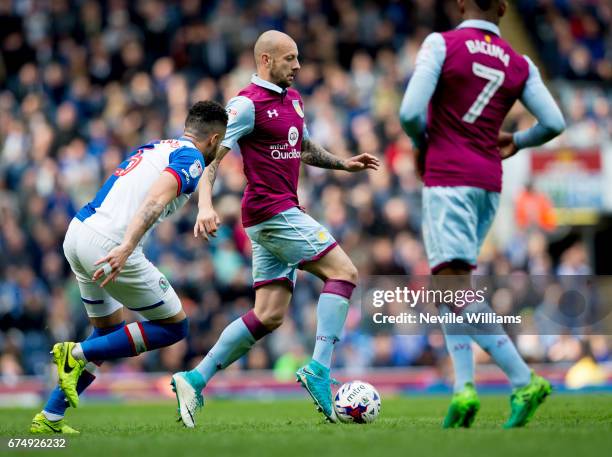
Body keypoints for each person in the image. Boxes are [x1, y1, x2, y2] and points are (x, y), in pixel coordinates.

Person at [171, 30, 380, 427]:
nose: (298, 66)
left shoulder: (294, 101)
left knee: (268, 315)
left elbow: (300, 146)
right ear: (265, 60)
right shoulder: (245, 105)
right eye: (290, 59)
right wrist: (205, 204)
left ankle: (194, 379)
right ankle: (319, 369)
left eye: (298, 58)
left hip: (279, 213)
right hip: (271, 212)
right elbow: (211, 159)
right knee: (344, 272)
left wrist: (343, 164)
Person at [399, 0, 565, 428]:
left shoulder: (442, 44)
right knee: (451, 285)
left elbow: (409, 113)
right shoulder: (519, 62)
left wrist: (423, 144)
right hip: (489, 180)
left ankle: (523, 379)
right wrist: (520, 140)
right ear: (504, 8)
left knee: (452, 286)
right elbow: (554, 122)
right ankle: (463, 390)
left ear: (459, 4)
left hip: (448, 177)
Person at [30, 101, 228, 434]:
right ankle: (74, 352)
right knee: (174, 326)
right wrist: (126, 247)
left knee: (108, 334)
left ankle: (49, 417)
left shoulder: (159, 146)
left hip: (79, 232)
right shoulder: (191, 158)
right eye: (220, 144)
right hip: (110, 244)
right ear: (213, 139)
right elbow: (154, 200)